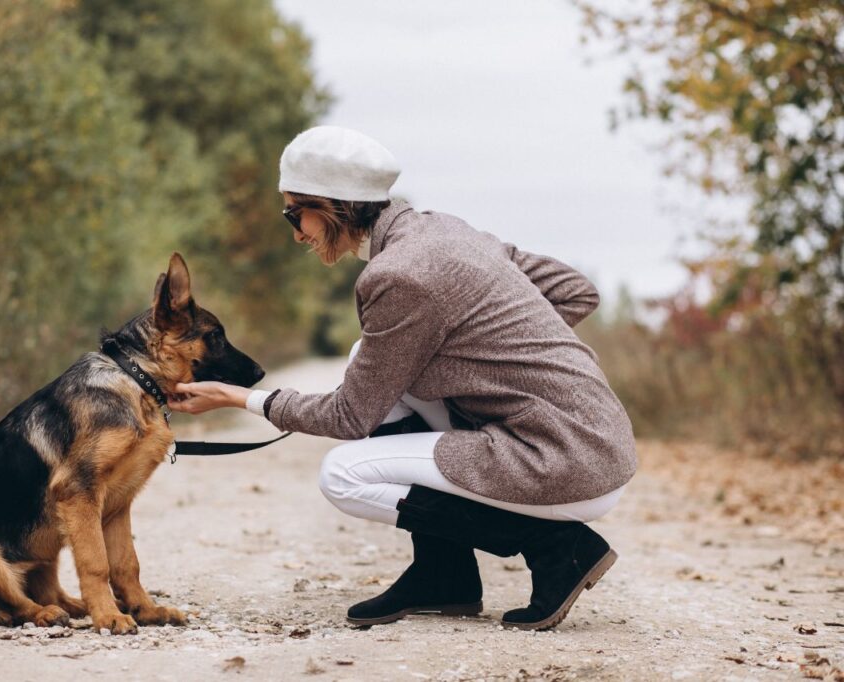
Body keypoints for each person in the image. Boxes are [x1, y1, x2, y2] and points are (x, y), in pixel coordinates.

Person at [167, 125, 637, 630]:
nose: (296, 233)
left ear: (330, 206)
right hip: (596, 440)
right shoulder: (447, 231)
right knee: (362, 357)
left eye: (293, 213)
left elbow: (351, 415)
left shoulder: (398, 274)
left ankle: (557, 548)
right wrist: (494, 352)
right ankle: (444, 574)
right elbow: (576, 291)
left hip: (562, 459)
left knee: (341, 475)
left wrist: (243, 399)